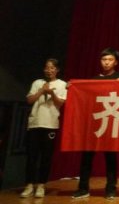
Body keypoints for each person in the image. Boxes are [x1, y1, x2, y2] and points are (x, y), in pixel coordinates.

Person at [72, 48, 119, 201]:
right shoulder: (94, 80)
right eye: (104, 60)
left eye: (110, 60)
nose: (106, 63)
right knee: (87, 157)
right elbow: (85, 98)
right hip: (94, 124)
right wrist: (74, 88)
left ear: (115, 62)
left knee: (110, 158)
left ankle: (111, 189)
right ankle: (83, 188)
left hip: (110, 123)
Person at [21, 58, 67, 199]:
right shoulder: (37, 83)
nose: (49, 70)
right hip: (34, 123)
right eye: (47, 68)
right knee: (32, 156)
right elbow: (29, 100)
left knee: (46, 157)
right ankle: (29, 185)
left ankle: (41, 185)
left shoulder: (62, 84)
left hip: (50, 124)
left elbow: (60, 103)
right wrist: (42, 90)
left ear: (57, 70)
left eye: (52, 68)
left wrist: (51, 93)